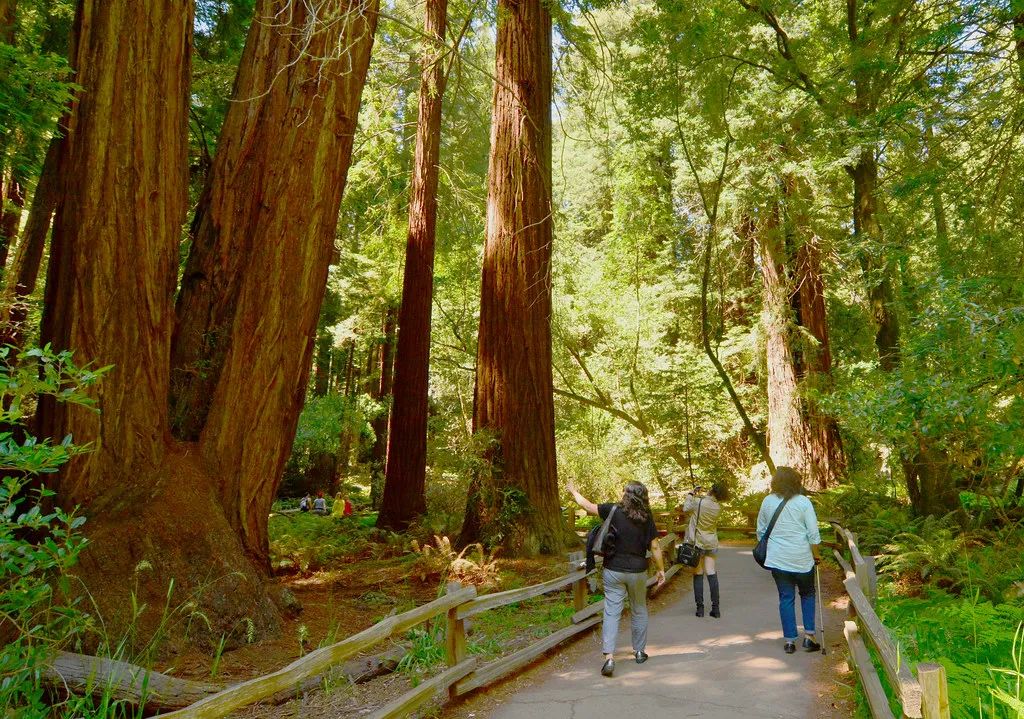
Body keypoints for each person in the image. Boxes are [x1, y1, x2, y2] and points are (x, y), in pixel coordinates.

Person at [567, 479, 666, 678]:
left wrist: (573, 491)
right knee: (639, 609)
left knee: (612, 612)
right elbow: (655, 546)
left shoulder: (612, 510)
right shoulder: (646, 517)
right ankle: (639, 652)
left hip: (613, 569)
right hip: (638, 571)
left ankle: (610, 657)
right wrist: (661, 569)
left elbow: (587, 506)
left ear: (626, 494)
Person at [756, 466, 822, 654]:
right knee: (807, 594)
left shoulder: (768, 501)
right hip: (802, 558)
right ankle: (809, 637)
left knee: (786, 597)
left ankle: (790, 641)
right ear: (796, 482)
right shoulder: (803, 502)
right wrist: (816, 555)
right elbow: (813, 533)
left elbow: (761, 531)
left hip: (778, 559)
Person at [681, 481, 730, 618]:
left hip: (697, 542)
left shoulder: (699, 502)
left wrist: (691, 493)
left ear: (712, 490)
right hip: (711, 542)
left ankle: (700, 609)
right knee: (711, 572)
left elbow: (686, 508)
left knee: (698, 573)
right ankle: (716, 608)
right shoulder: (717, 507)